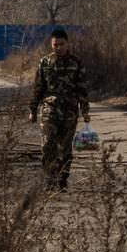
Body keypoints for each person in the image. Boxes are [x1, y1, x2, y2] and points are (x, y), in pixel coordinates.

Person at [29, 29, 90, 190]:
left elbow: (81, 88)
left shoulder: (76, 63)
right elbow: (38, 87)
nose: (58, 48)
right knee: (48, 144)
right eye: (55, 45)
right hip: (49, 110)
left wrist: (85, 110)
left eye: (61, 44)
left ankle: (62, 179)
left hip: (69, 111)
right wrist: (33, 109)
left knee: (65, 148)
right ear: (51, 44)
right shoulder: (45, 62)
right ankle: (49, 179)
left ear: (67, 43)